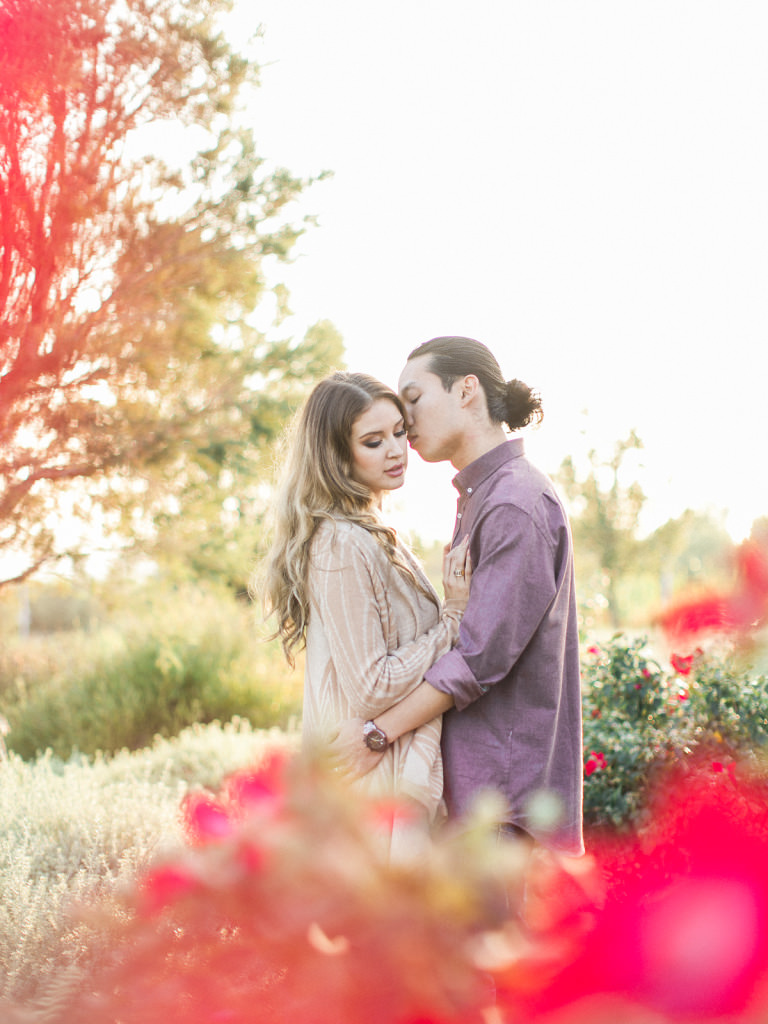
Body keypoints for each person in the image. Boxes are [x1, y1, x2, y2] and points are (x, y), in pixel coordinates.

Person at [330, 338, 584, 856]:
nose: (406, 416)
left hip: (504, 810)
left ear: (467, 390)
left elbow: (476, 659)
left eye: (414, 396)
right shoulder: (485, 496)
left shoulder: (515, 503)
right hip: (480, 804)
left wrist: (376, 735)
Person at [259, 371, 471, 856]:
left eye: (399, 431)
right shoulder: (340, 543)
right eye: (374, 441)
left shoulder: (371, 530)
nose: (396, 450)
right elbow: (372, 685)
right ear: (337, 456)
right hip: (368, 788)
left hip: (384, 777)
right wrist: (453, 619)